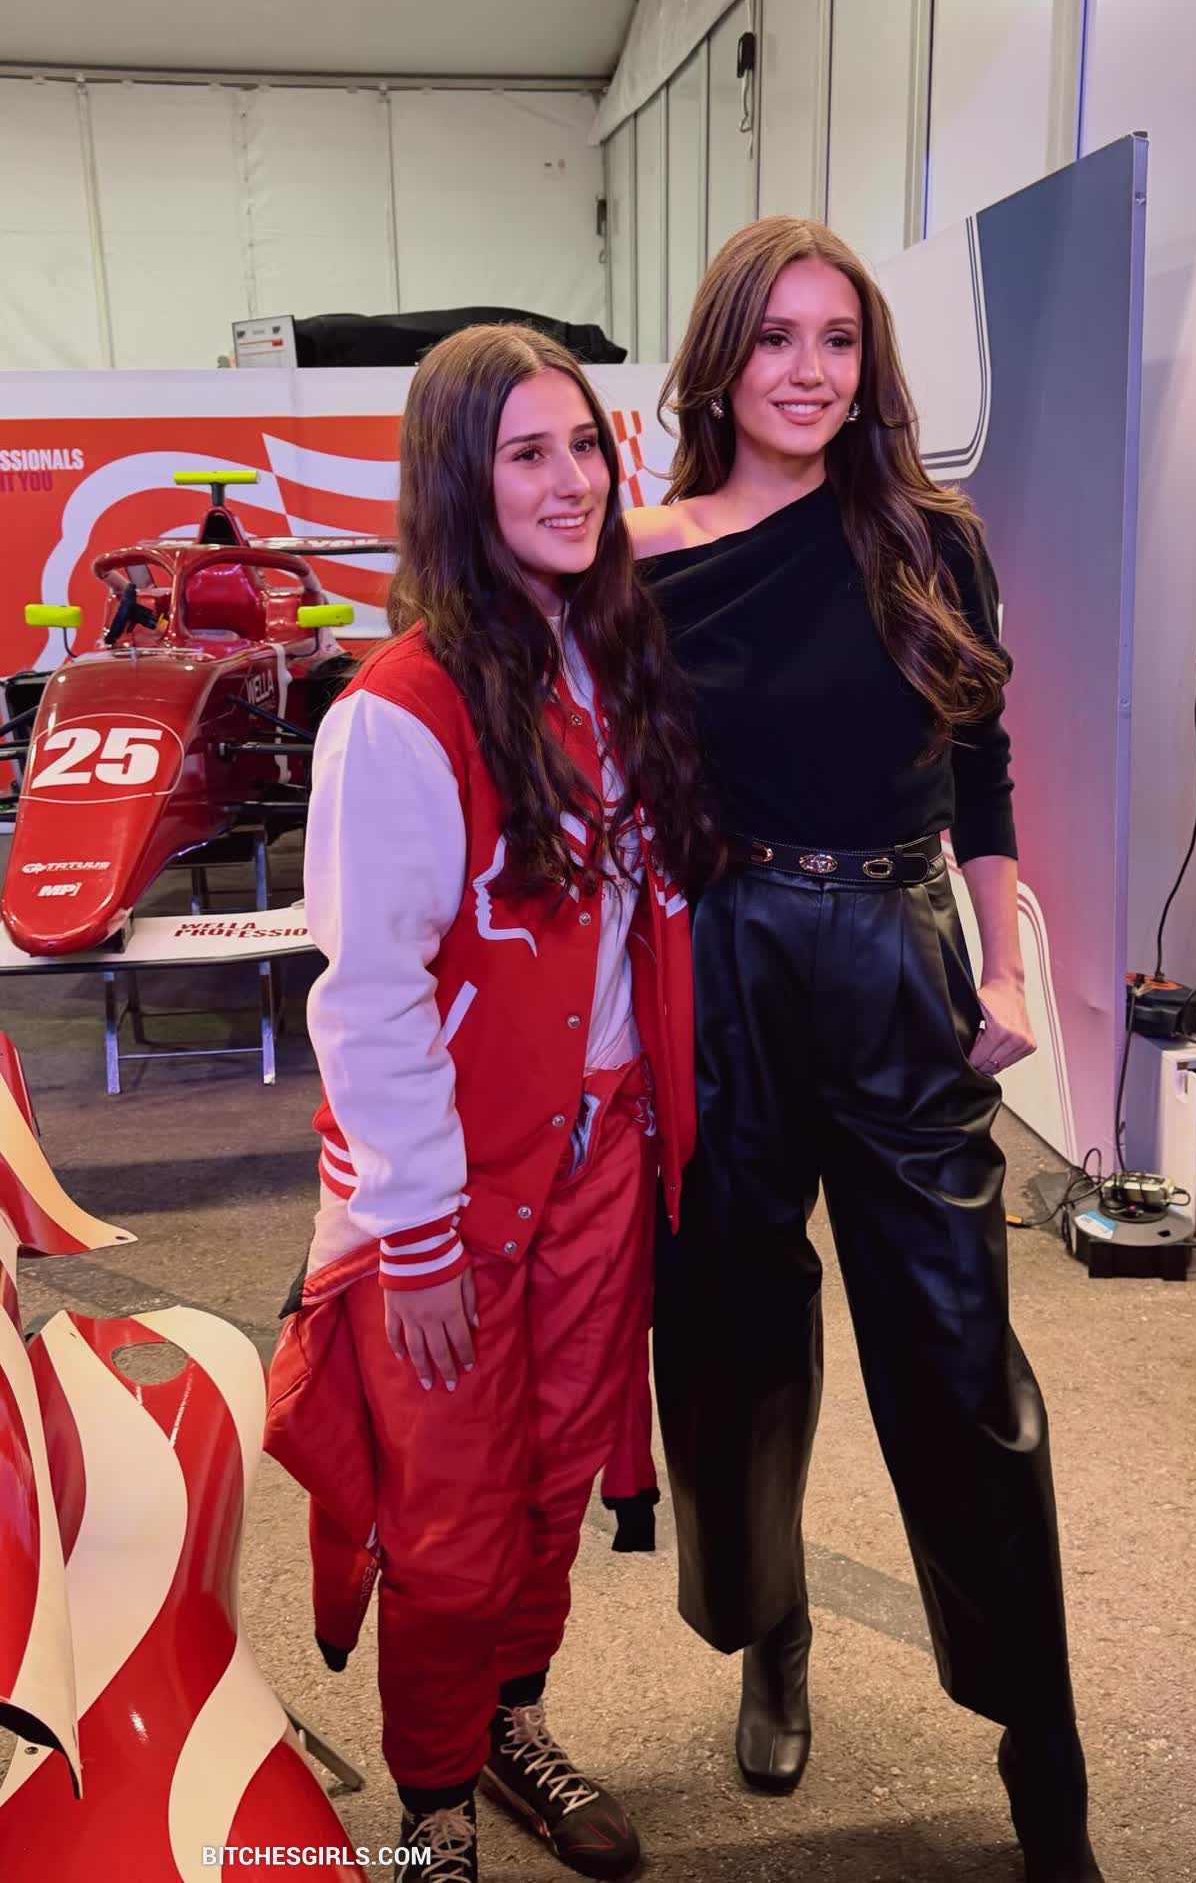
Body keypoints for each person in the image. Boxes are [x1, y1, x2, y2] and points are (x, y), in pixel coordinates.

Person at [627, 217, 1103, 1883]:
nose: (808, 372)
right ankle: (768, 1630)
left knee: (962, 1365)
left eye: (836, 340)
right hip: (727, 964)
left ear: (869, 363)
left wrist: (1009, 962)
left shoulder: (925, 536)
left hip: (901, 960)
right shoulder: (641, 556)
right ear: (718, 361)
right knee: (729, 1343)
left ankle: (1038, 1741)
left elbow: (983, 768)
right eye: (774, 338)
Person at [263, 324, 716, 1883]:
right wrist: (412, 1232)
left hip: (602, 1158)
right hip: (446, 1190)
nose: (572, 481)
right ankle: (430, 1803)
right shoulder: (397, 710)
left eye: (585, 445)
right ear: (460, 480)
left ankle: (508, 1726)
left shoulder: (614, 659)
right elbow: (370, 997)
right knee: (449, 1518)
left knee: (552, 1481)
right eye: (528, 453)